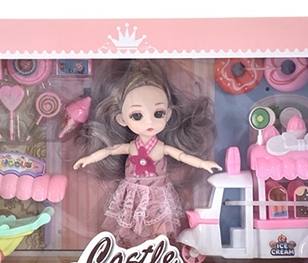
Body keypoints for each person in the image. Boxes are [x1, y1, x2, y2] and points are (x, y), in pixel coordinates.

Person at [73, 59, 221, 247]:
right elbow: (110, 150)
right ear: (122, 119)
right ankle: (130, 248)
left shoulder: (160, 147)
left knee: (158, 225)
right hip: (133, 192)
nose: (149, 122)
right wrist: (89, 158)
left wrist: (202, 163)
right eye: (137, 116)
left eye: (158, 113)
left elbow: (181, 155)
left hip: (157, 193)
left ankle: (156, 249)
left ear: (168, 115)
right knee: (129, 221)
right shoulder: (131, 146)